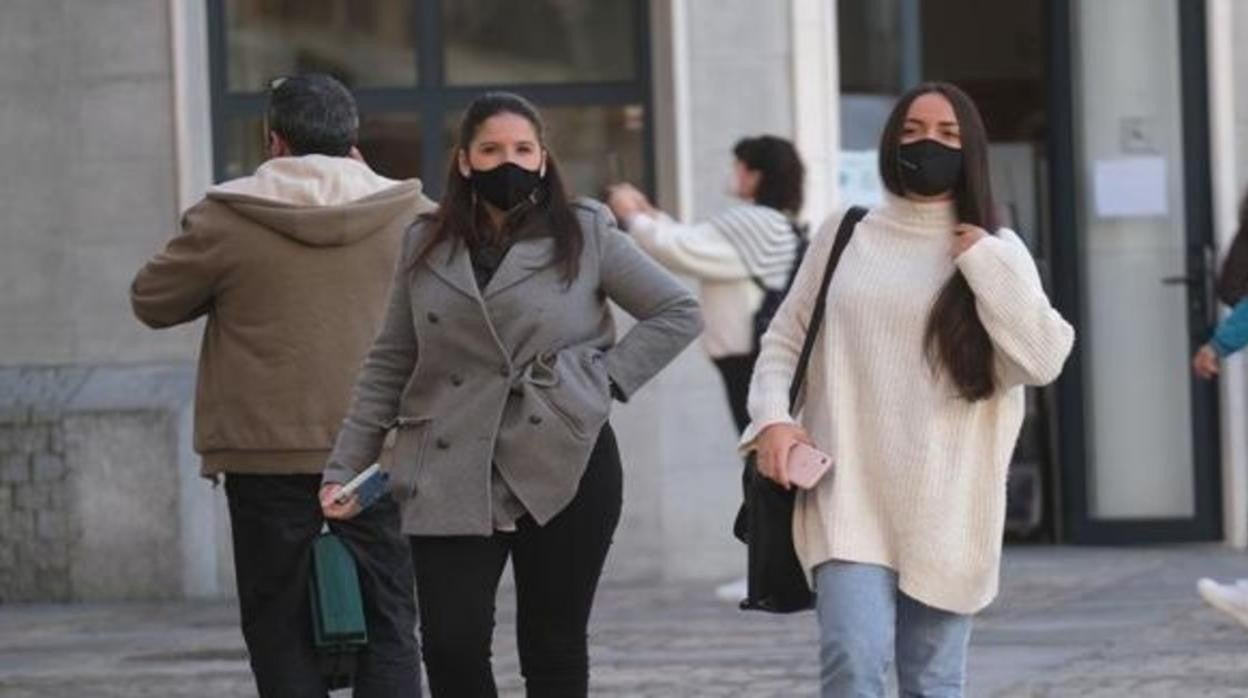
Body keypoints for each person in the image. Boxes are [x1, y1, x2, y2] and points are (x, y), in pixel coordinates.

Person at [319, 91, 702, 698]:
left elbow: (677, 310)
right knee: (449, 645)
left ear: (544, 158)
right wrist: (345, 466)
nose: (509, 162)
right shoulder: (424, 242)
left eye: (523, 149)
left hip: (564, 459)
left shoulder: (585, 231)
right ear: (465, 161)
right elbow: (391, 359)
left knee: (552, 647)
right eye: (492, 150)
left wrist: (599, 380)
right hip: (447, 463)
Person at [742, 82, 1074, 696]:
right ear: (891, 144)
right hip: (848, 491)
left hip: (950, 503)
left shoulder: (1000, 251)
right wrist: (771, 420)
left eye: (948, 135)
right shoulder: (846, 232)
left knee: (932, 681)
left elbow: (1044, 357)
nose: (928, 145)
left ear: (971, 150)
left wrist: (983, 263)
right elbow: (785, 339)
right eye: (914, 131)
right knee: (851, 660)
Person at [131, 73, 433, 697]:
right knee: (393, 624)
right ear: (355, 142)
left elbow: (152, 300)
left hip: (264, 454)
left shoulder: (227, 217)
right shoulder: (413, 217)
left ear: (274, 142)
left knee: (278, 629)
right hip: (382, 454)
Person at [607, 136, 806, 602]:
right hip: (751, 361)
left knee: (767, 469)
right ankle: (776, 570)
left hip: (755, 364)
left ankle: (772, 574)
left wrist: (630, 214)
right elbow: (695, 240)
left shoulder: (752, 221)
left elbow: (683, 248)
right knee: (768, 467)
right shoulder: (772, 223)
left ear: (755, 174)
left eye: (739, 165)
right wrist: (651, 216)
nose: (732, 173)